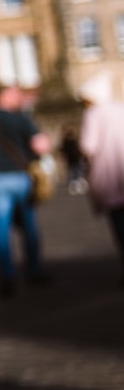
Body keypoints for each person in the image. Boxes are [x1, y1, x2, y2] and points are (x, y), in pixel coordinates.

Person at [0, 85, 50, 297]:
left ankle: (7, 275)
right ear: (3, 96)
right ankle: (34, 271)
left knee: (0, 229)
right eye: (15, 94)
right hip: (20, 177)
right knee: (29, 226)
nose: (19, 97)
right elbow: (41, 145)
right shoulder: (20, 119)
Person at [75, 74, 124, 287]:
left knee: (120, 222)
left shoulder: (93, 114)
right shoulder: (121, 108)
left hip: (110, 172)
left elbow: (88, 146)